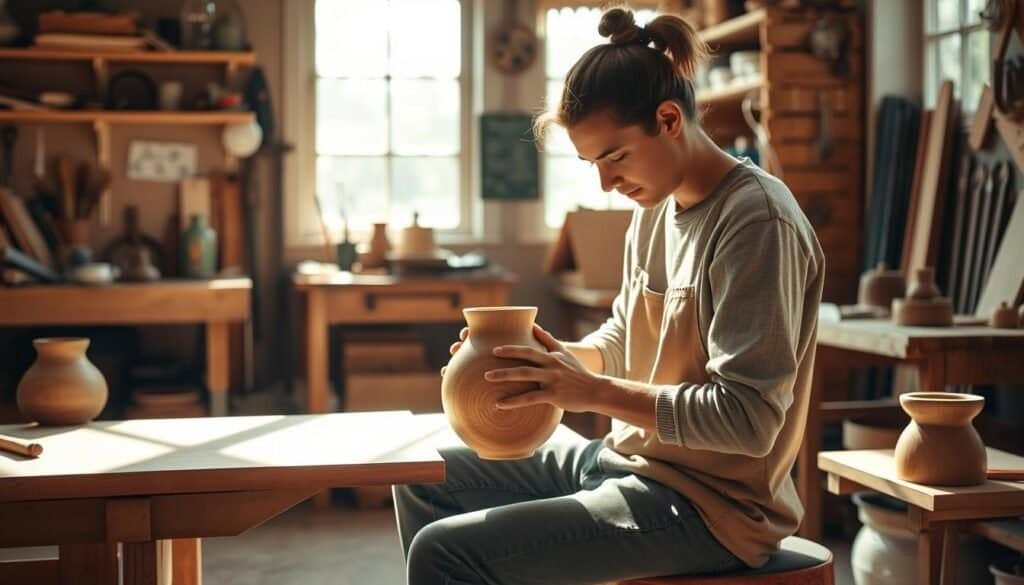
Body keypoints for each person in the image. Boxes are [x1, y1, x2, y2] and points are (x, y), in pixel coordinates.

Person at [392, 7, 824, 584]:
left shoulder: (756, 221)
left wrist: (589, 392)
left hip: (712, 508)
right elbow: (623, 339)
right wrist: (548, 363)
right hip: (628, 462)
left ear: (669, 119)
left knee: (443, 552)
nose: (606, 183)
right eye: (592, 164)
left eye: (615, 157)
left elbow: (747, 419)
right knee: (421, 471)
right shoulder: (654, 207)